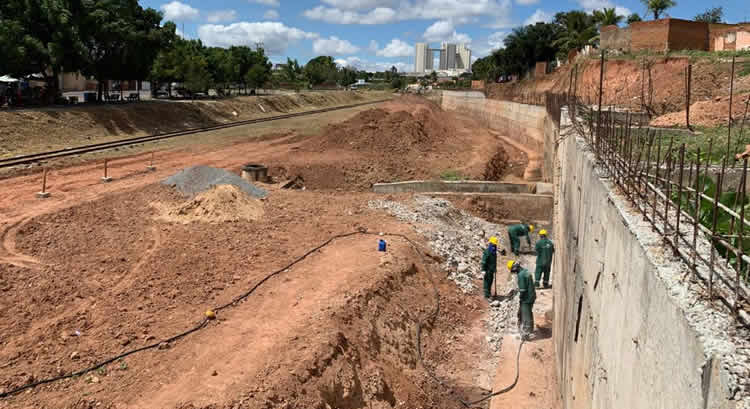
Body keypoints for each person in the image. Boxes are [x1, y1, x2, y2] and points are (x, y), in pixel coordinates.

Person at [508, 260, 535, 340]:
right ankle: (530, 330)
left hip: (526, 298)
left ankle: (526, 335)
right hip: (532, 295)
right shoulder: (525, 271)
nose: (514, 273)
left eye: (513, 271)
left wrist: (521, 299)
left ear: (515, 268)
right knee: (529, 313)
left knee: (525, 315)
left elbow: (523, 290)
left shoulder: (521, 275)